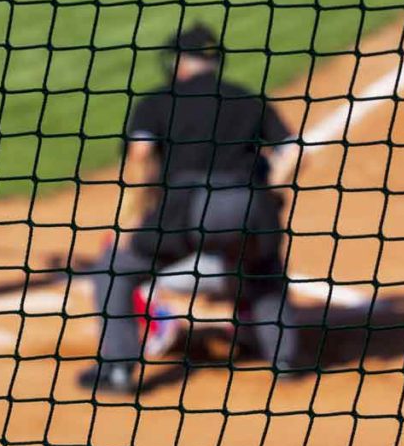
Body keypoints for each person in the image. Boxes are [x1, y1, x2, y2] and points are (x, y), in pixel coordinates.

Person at [78, 24, 303, 394]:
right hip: (249, 203)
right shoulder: (246, 98)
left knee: (112, 270)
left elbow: (140, 159)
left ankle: (118, 370)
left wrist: (130, 220)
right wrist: (272, 195)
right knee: (264, 268)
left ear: (180, 63)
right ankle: (284, 359)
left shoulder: (158, 101)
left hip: (191, 206)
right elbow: (294, 151)